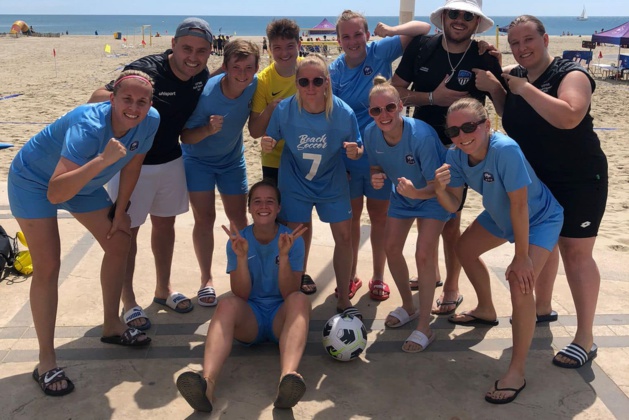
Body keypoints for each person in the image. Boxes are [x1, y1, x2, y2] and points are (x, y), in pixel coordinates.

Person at [8, 70, 157, 396]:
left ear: (150, 103)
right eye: (126, 99)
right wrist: (104, 159)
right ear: (112, 98)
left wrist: (120, 213)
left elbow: (133, 165)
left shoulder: (151, 120)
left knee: (120, 241)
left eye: (142, 101)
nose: (134, 107)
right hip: (35, 181)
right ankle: (46, 360)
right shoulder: (88, 126)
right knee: (48, 266)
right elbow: (55, 192)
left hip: (85, 183)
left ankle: (112, 326)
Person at [434, 98, 563, 403]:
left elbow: (520, 206)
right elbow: (453, 205)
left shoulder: (505, 149)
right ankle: (485, 310)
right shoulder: (455, 156)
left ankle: (516, 371)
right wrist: (439, 189)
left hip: (539, 218)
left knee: (520, 284)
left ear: (487, 124)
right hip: (499, 214)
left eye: (469, 127)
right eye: (454, 130)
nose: (462, 135)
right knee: (463, 248)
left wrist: (522, 257)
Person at [88, 18, 213, 329]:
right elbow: (96, 98)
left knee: (165, 225)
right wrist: (137, 106)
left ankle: (163, 289)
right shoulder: (147, 70)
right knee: (127, 232)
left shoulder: (202, 76)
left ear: (210, 52)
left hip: (171, 159)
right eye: (187, 49)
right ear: (173, 45)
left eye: (201, 51)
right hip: (133, 164)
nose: (193, 57)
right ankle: (128, 300)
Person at [501, 15, 608, 369]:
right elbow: (518, 116)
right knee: (542, 244)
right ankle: (542, 309)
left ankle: (585, 338)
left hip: (579, 178)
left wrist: (522, 88)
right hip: (539, 180)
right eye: (514, 43)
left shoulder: (570, 74)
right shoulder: (519, 79)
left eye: (528, 39)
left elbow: (569, 116)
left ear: (545, 39)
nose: (521, 48)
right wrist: (497, 90)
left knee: (575, 253)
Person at [392, 0, 505, 316]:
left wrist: (495, 82)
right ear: (443, 17)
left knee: (450, 220)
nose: (459, 19)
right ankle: (433, 272)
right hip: (418, 146)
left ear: (476, 22)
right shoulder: (422, 47)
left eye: (468, 16)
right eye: (453, 13)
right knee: (423, 213)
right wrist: (431, 98)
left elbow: (502, 106)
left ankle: (452, 288)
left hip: (460, 151)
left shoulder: (483, 56)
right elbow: (394, 91)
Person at [176, 180, 311, 412]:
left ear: (279, 208)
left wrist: (285, 256)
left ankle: (287, 379)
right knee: (227, 303)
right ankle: (206, 385)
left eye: (270, 201)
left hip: (282, 319)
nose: (263, 205)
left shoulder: (292, 239)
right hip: (252, 319)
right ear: (249, 209)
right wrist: (240, 257)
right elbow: (241, 294)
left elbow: (289, 292)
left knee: (300, 299)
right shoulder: (239, 240)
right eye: (257, 201)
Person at [329, 10, 431, 302]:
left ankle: (378, 276)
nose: (353, 41)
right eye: (346, 36)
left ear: (367, 35)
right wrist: (338, 161)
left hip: (381, 156)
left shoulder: (380, 50)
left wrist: (390, 29)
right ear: (338, 40)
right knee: (350, 221)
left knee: (380, 218)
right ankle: (350, 277)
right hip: (349, 159)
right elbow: (333, 118)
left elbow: (423, 27)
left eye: (357, 34)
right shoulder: (335, 71)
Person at [262, 54, 363, 319]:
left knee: (343, 236)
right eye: (303, 81)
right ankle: (293, 294)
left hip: (332, 180)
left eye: (317, 81)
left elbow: (358, 147)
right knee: (295, 238)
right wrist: (267, 142)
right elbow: (270, 136)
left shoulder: (343, 113)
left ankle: (343, 297)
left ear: (327, 82)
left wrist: (355, 152)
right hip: (295, 180)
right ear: (296, 83)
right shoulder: (284, 110)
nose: (310, 87)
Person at [366, 77, 450, 352]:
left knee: (423, 254)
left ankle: (425, 326)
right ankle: (409, 305)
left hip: (432, 195)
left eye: (389, 107)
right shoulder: (370, 133)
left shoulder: (421, 136)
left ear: (401, 106)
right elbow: (376, 166)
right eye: (376, 110)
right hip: (404, 195)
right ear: (370, 113)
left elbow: (437, 187)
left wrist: (416, 193)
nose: (384, 115)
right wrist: (377, 178)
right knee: (391, 247)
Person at [180, 39, 259, 308]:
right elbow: (186, 137)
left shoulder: (255, 85)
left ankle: (244, 275)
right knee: (205, 219)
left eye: (249, 67)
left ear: (257, 68)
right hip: (198, 161)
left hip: (231, 160)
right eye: (236, 67)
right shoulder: (206, 95)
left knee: (238, 218)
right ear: (225, 67)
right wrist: (207, 130)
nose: (243, 73)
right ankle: (206, 280)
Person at [248, 19, 318, 295]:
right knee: (273, 219)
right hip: (276, 161)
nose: (285, 53)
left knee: (301, 221)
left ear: (299, 45)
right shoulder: (264, 80)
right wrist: (272, 109)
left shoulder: (310, 71)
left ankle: (299, 270)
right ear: (269, 49)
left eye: (290, 46)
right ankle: (274, 268)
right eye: (278, 48)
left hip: (309, 158)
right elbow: (254, 130)